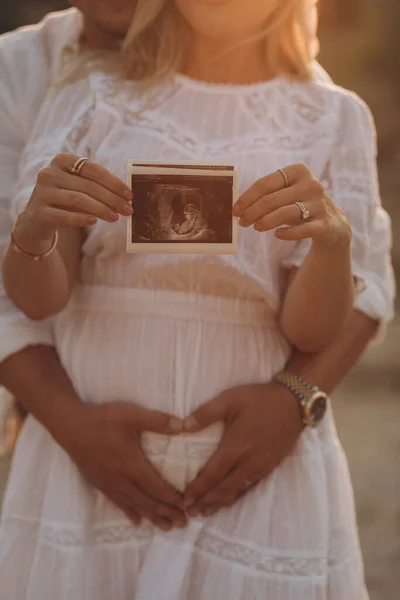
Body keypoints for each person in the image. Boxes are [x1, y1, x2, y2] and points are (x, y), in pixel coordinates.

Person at [0, 2, 395, 600]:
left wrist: (333, 248)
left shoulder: (334, 116)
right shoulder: (92, 91)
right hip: (84, 488)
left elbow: (312, 332)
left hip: (251, 489)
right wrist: (30, 236)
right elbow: (39, 301)